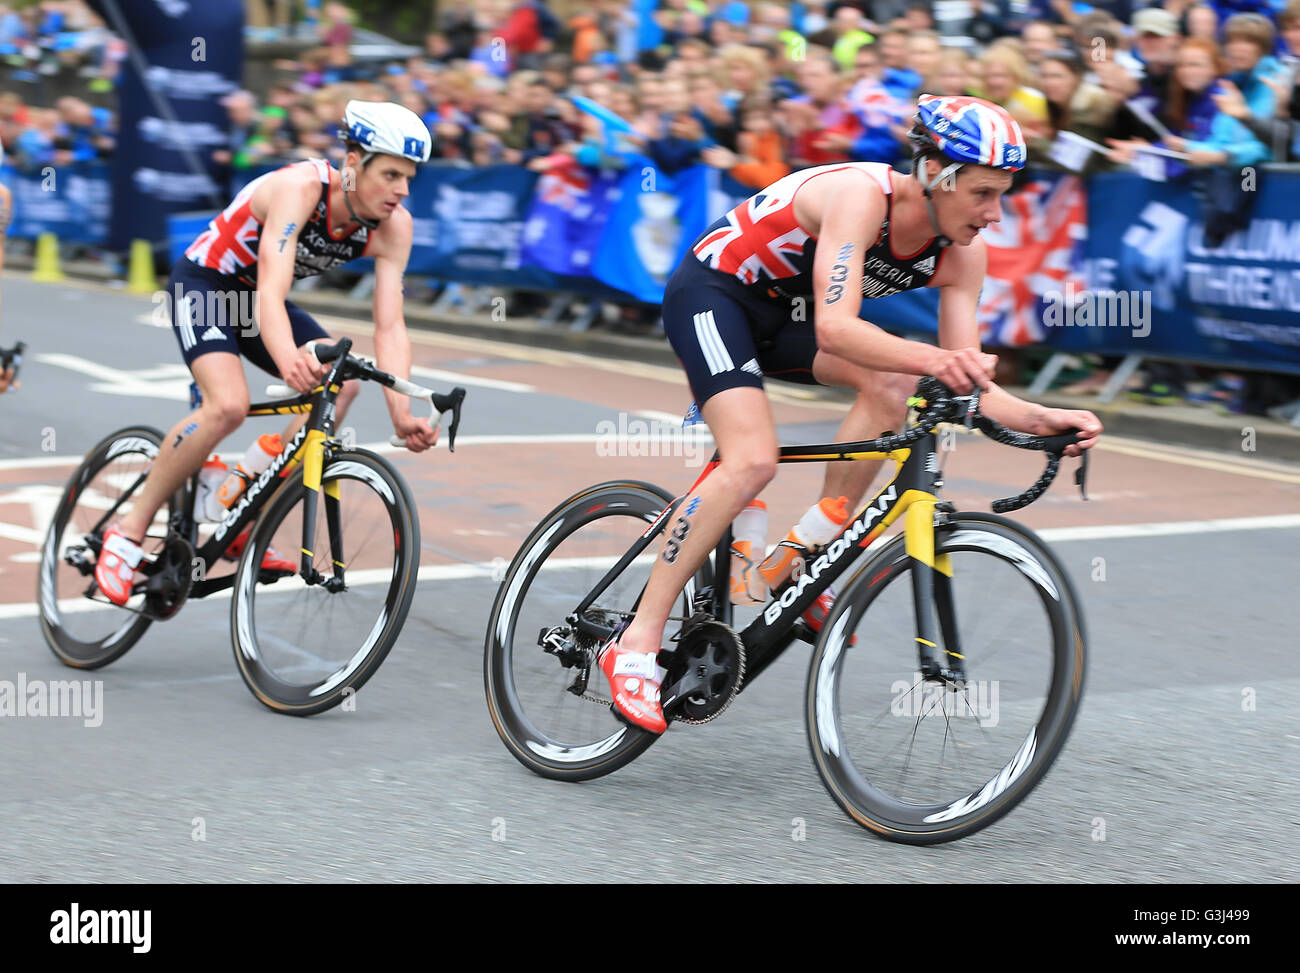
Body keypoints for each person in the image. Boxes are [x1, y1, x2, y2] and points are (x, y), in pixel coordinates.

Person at [600, 95, 1103, 733]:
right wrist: (937, 360)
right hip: (716, 294)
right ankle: (636, 644)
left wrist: (1041, 419)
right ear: (933, 175)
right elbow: (839, 329)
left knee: (896, 384)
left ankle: (802, 553)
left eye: (1002, 194)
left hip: (789, 318)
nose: (994, 214)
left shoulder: (962, 253)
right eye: (981, 193)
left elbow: (968, 375)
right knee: (753, 458)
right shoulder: (860, 197)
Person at [92, 101, 440, 606]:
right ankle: (126, 533)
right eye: (389, 174)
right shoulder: (301, 189)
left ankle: (241, 497)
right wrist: (289, 359)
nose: (402, 190)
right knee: (227, 405)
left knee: (342, 387)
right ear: (351, 162)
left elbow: (389, 325)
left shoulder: (393, 227)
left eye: (408, 178)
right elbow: (269, 294)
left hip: (258, 300)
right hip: (209, 285)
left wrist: (402, 412)